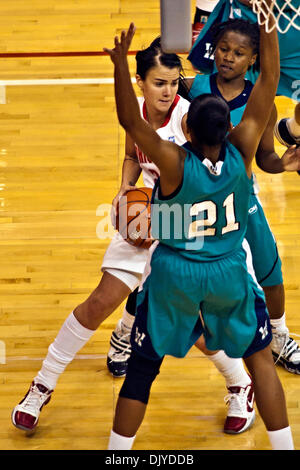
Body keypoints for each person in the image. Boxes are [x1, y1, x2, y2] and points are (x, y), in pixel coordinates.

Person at [104, 16, 294, 450]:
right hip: (227, 274)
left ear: (186, 129)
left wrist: (119, 65)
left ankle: (119, 453)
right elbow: (268, 81)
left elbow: (131, 124)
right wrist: (268, 29)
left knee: (141, 370)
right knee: (260, 362)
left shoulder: (172, 163)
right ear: (230, 128)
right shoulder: (242, 151)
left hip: (176, 276)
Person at [11, 38, 190, 432]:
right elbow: (131, 155)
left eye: (174, 83)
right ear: (140, 81)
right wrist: (125, 188)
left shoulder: (187, 120)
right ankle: (43, 384)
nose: (168, 91)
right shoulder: (138, 113)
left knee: (193, 325)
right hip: (144, 218)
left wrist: (163, 218)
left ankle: (239, 384)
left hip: (181, 224)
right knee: (98, 304)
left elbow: (201, 184)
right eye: (160, 83)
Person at [182, 18, 300, 385]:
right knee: (153, 270)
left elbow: (264, 156)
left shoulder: (260, 101)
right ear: (213, 50)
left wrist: (282, 164)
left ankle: (278, 334)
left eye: (238, 53)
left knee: (270, 269)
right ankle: (128, 328)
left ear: (252, 60)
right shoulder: (192, 88)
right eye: (223, 49)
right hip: (190, 200)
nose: (228, 58)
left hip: (240, 198)